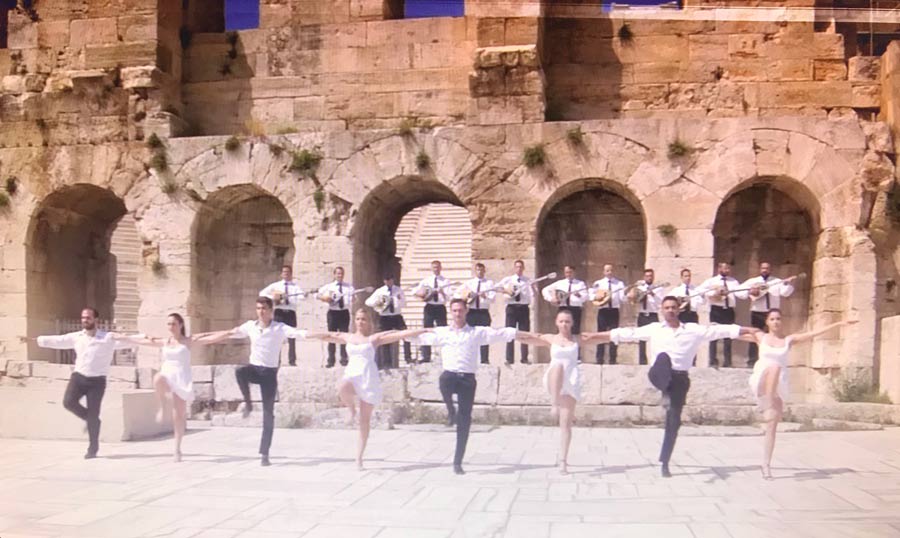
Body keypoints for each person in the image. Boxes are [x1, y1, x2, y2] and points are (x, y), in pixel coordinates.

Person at [605, 296, 758, 478]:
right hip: (660, 372)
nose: (670, 310)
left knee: (674, 421)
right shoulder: (655, 329)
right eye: (667, 307)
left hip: (680, 380)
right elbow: (627, 333)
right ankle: (665, 390)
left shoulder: (692, 330)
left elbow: (718, 331)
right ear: (662, 310)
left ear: (678, 310)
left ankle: (665, 461)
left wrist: (748, 329)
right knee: (663, 358)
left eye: (673, 307)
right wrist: (596, 336)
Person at [738, 310, 856, 479]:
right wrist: (717, 328)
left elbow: (812, 334)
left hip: (779, 383)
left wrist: (838, 324)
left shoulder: (788, 340)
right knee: (774, 367)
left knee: (772, 426)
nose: (776, 321)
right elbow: (736, 334)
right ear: (767, 322)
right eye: (772, 319)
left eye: (779, 318)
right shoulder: (760, 337)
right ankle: (767, 403)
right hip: (762, 378)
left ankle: (766, 464)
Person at [306, 309, 428, 470]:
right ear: (354, 321)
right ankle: (351, 410)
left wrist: (424, 329)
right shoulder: (348, 337)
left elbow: (399, 335)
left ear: (368, 322)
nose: (360, 322)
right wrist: (306, 334)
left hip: (368, 378)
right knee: (342, 387)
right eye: (357, 319)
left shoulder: (373, 339)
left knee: (364, 422)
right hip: (352, 374)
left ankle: (359, 458)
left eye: (363, 319)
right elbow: (327, 335)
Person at [409, 299, 519, 475]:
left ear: (466, 311)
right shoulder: (443, 332)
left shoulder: (476, 332)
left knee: (465, 421)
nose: (458, 314)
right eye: (454, 311)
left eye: (460, 310)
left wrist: (529, 335)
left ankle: (457, 462)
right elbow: (416, 338)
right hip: (450, 375)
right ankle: (450, 411)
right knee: (444, 380)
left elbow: (501, 333)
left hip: (467, 380)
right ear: (450, 312)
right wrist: (417, 330)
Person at [23, 308, 137, 459]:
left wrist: (148, 339)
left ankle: (93, 448)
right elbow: (58, 341)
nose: (85, 320)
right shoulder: (77, 337)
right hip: (79, 378)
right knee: (68, 402)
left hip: (97, 381)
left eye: (88, 318)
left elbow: (129, 340)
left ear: (96, 319)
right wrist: (34, 340)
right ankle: (91, 419)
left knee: (93, 414)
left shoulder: (107, 338)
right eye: (83, 318)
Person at [122, 314, 233, 461]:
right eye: (169, 324)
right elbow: (145, 340)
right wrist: (124, 337)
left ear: (180, 325)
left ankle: (177, 449)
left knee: (178, 416)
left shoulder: (188, 341)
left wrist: (230, 332)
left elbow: (211, 338)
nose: (171, 327)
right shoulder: (165, 341)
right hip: (168, 374)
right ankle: (162, 405)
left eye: (173, 324)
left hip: (181, 378)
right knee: (157, 378)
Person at [516, 310, 610, 474]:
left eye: (567, 321)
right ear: (556, 323)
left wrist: (617, 335)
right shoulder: (551, 339)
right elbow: (529, 337)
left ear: (572, 323)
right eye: (561, 321)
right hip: (554, 379)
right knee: (558, 365)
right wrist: (511, 334)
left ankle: (563, 461)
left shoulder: (577, 339)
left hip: (570, 380)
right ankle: (554, 404)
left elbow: (599, 338)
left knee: (565, 424)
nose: (564, 325)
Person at [221, 297, 308, 466]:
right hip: (255, 369)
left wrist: (328, 335)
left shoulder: (279, 328)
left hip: (269, 374)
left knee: (268, 414)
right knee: (240, 371)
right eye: (258, 308)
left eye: (264, 308)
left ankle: (264, 453)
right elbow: (230, 333)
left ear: (271, 310)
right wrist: (203, 337)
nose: (261, 311)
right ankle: (248, 403)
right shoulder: (250, 326)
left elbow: (299, 333)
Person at [738, 262, 798, 368]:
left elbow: (785, 293)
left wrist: (787, 284)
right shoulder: (753, 281)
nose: (765, 270)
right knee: (755, 335)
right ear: (760, 269)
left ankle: (769, 360)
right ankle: (752, 360)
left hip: (772, 313)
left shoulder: (777, 281)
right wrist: (750, 292)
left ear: (770, 269)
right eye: (763, 268)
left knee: (771, 336)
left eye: (767, 268)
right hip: (757, 311)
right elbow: (739, 293)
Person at [259, 265, 304, 366]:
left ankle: (292, 361)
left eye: (288, 272)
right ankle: (276, 361)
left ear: (291, 274)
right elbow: (262, 293)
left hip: (290, 313)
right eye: (284, 272)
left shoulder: (295, 287)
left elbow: (301, 297)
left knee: (292, 337)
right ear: (281, 274)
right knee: (276, 336)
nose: (286, 274)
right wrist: (275, 297)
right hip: (279, 312)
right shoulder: (276, 286)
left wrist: (290, 298)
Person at [364, 274, 412, 368]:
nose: (388, 282)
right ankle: (387, 363)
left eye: (389, 280)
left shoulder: (398, 290)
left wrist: (399, 299)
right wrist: (379, 302)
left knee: (406, 335)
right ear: (384, 281)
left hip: (396, 316)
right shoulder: (380, 291)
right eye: (386, 280)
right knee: (385, 340)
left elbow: (404, 304)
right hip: (385, 317)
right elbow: (368, 302)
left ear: (392, 280)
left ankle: (408, 357)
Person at [700, 262, 742, 368]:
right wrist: (714, 293)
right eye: (725, 268)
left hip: (729, 310)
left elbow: (740, 293)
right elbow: (700, 290)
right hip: (716, 310)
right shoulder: (712, 281)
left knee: (728, 336)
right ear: (719, 269)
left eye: (728, 268)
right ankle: (713, 361)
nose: (727, 270)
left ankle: (727, 361)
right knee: (714, 335)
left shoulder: (733, 282)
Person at [498, 259, 536, 365]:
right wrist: (507, 291)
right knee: (510, 332)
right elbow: (497, 288)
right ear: (514, 268)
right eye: (517, 267)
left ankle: (524, 358)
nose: (519, 269)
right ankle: (509, 358)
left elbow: (534, 294)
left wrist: (533, 287)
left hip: (523, 308)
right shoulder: (508, 280)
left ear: (523, 268)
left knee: (524, 333)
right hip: (512, 308)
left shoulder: (527, 280)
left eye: (520, 267)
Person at [413, 260, 451, 363]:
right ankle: (426, 356)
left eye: (438, 267)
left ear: (441, 268)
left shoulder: (445, 281)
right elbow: (416, 292)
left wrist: (442, 292)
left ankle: (444, 355)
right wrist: (424, 294)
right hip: (429, 307)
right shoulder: (427, 281)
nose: (436, 269)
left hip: (440, 307)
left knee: (443, 331)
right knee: (426, 331)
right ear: (431, 268)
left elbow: (448, 298)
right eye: (434, 267)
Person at [459, 262, 495, 364]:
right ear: (475, 271)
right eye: (478, 270)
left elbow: (493, 299)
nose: (479, 272)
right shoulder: (469, 283)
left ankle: (484, 359)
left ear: (484, 271)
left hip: (483, 311)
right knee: (470, 335)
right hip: (472, 311)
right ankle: (469, 358)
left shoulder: (489, 283)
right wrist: (468, 295)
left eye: (481, 270)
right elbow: (459, 294)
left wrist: (485, 296)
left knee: (485, 335)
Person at [318, 266, 354, 367]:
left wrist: (353, 299)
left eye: (341, 273)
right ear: (334, 275)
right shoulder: (329, 287)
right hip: (333, 313)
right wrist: (325, 298)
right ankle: (331, 360)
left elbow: (353, 298)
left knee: (344, 337)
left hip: (344, 312)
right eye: (338, 273)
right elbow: (317, 295)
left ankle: (344, 359)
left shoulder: (349, 287)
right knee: (331, 336)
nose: (340, 275)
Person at [627, 268, 665, 365]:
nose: (649, 278)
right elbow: (631, 299)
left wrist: (653, 294)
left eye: (651, 276)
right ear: (644, 277)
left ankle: (655, 361)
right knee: (641, 339)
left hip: (653, 315)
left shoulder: (658, 288)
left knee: (656, 339)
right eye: (647, 276)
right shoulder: (639, 287)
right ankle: (642, 362)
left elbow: (660, 303)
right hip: (642, 315)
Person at [589, 263, 625, 364]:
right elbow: (591, 294)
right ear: (604, 272)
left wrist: (627, 295)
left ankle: (613, 359)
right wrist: (596, 297)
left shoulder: (619, 284)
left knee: (614, 335)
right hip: (603, 311)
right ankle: (599, 359)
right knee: (600, 334)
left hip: (614, 311)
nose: (609, 272)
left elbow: (622, 298)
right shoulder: (598, 283)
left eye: (611, 270)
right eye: (607, 270)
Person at [542, 265, 588, 335]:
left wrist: (579, 295)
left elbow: (586, 297)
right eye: (566, 272)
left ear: (574, 272)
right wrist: (551, 299)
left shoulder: (580, 284)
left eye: (570, 272)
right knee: (561, 329)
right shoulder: (560, 283)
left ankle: (574, 345)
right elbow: (545, 290)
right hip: (563, 308)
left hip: (575, 309)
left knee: (575, 330)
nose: (568, 274)